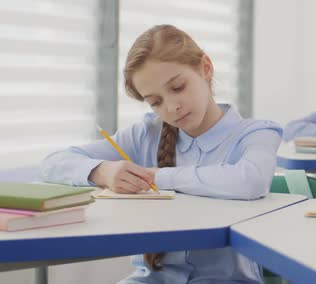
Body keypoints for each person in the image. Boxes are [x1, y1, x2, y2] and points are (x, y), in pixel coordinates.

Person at [41, 24, 283, 282]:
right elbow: (52, 164)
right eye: (155, 102)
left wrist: (158, 177)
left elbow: (251, 181)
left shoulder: (256, 133)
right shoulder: (145, 135)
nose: (172, 107)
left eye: (178, 87)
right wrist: (103, 171)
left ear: (206, 68)